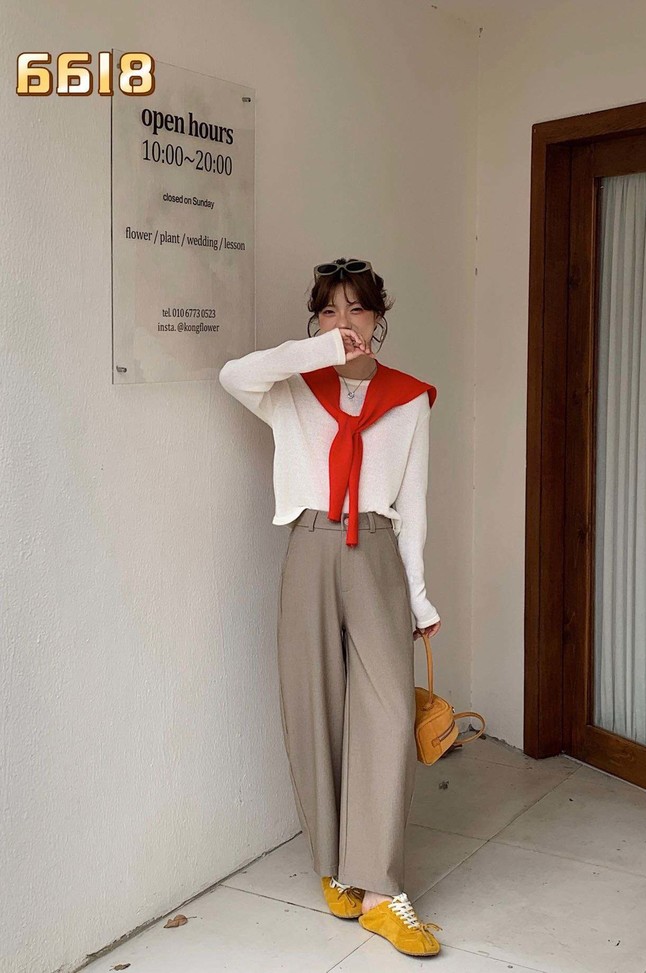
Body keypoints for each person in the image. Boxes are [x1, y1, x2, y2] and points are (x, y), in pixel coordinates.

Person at [219, 257, 443, 958]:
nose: (344, 323)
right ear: (315, 322)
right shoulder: (291, 387)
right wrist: (316, 353)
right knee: (313, 704)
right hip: (310, 543)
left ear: (380, 317)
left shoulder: (409, 399)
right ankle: (336, 867)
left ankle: (380, 892)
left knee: (388, 712)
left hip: (376, 548)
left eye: (357, 309)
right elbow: (233, 374)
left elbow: (414, 507)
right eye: (329, 310)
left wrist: (418, 594)